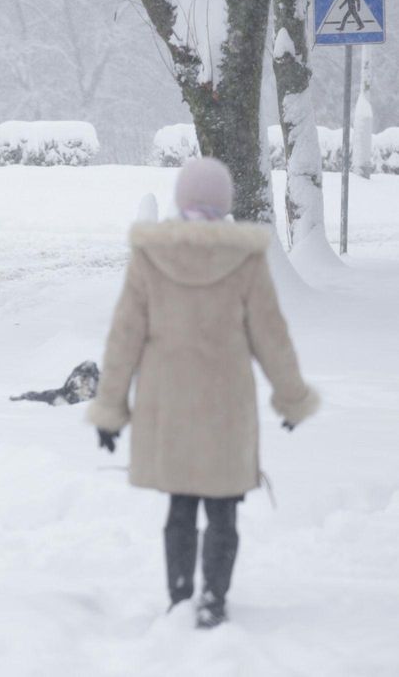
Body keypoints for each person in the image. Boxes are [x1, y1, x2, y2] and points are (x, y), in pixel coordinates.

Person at [85, 157, 319, 629]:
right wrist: (292, 398)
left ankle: (178, 597)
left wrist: (111, 409)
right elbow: (270, 336)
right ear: (224, 205)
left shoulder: (151, 256)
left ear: (181, 201)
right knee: (223, 508)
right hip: (225, 410)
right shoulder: (245, 261)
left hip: (168, 408)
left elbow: (124, 337)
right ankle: (213, 599)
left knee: (181, 506)